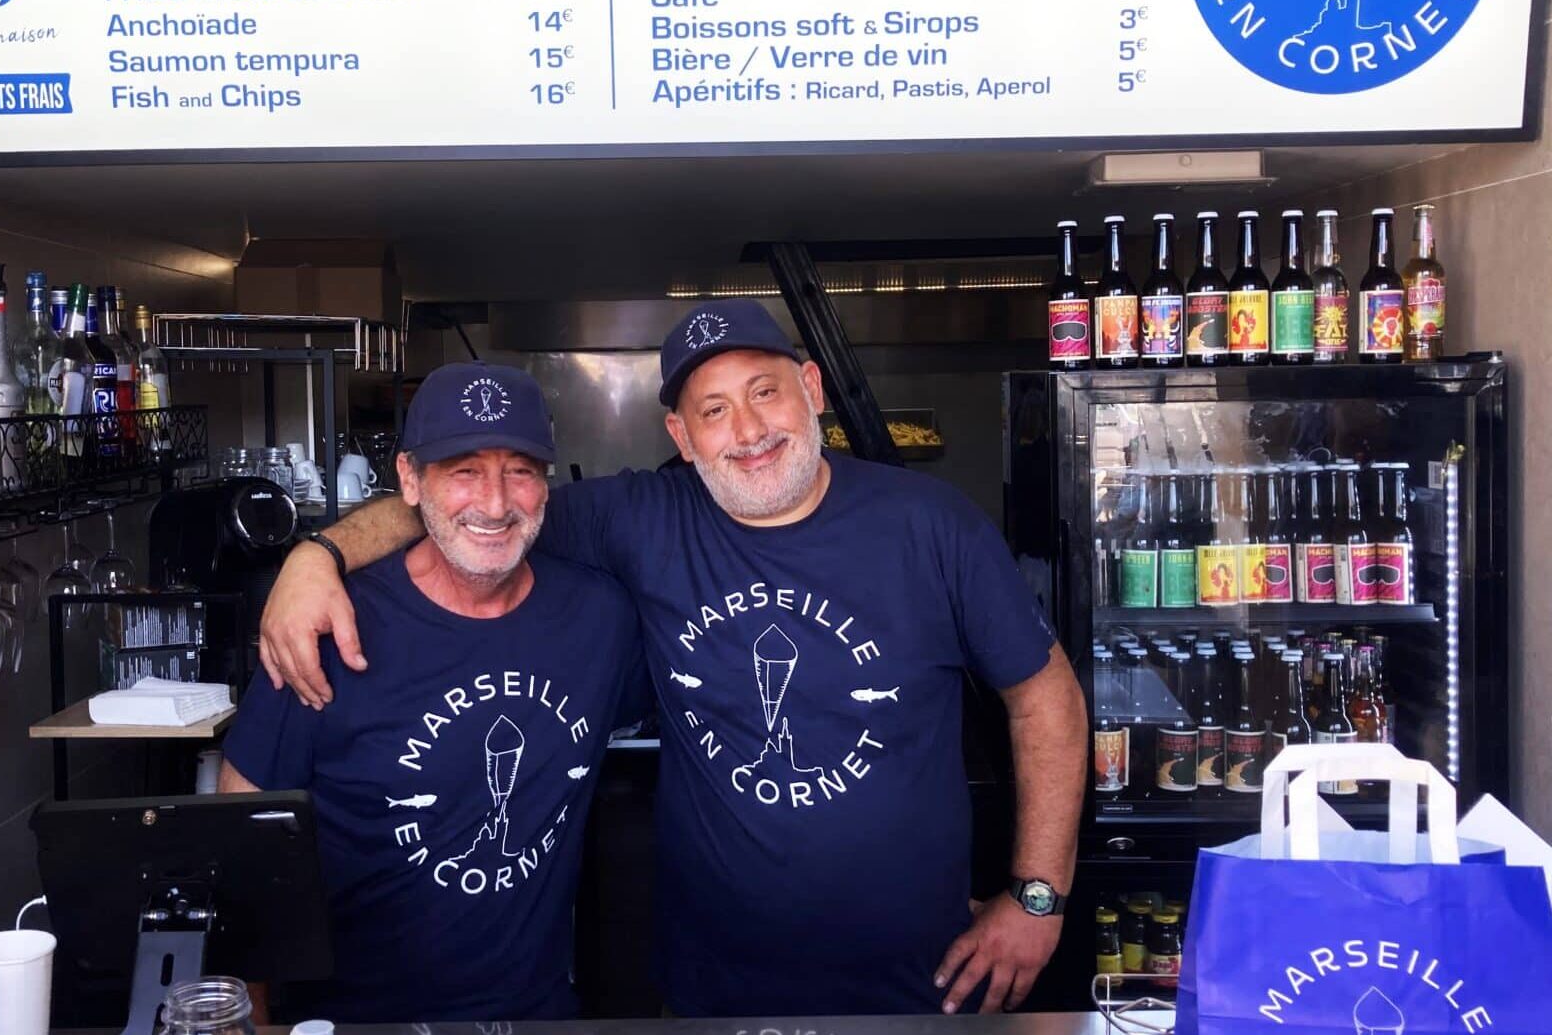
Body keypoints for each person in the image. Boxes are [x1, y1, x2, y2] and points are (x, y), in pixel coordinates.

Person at [260, 300, 1087, 1017]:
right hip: (711, 996)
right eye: (715, 409)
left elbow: (1044, 695)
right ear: (680, 435)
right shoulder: (641, 519)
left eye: (765, 392)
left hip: (922, 988)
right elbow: (480, 508)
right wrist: (317, 554)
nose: (750, 430)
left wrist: (1038, 895)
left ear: (813, 389)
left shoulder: (933, 526)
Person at [220, 362, 641, 1021]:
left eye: (521, 469)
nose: (496, 503)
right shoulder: (325, 626)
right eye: (464, 469)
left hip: (533, 1014)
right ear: (411, 479)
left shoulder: (600, 619)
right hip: (353, 1019)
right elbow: (242, 852)